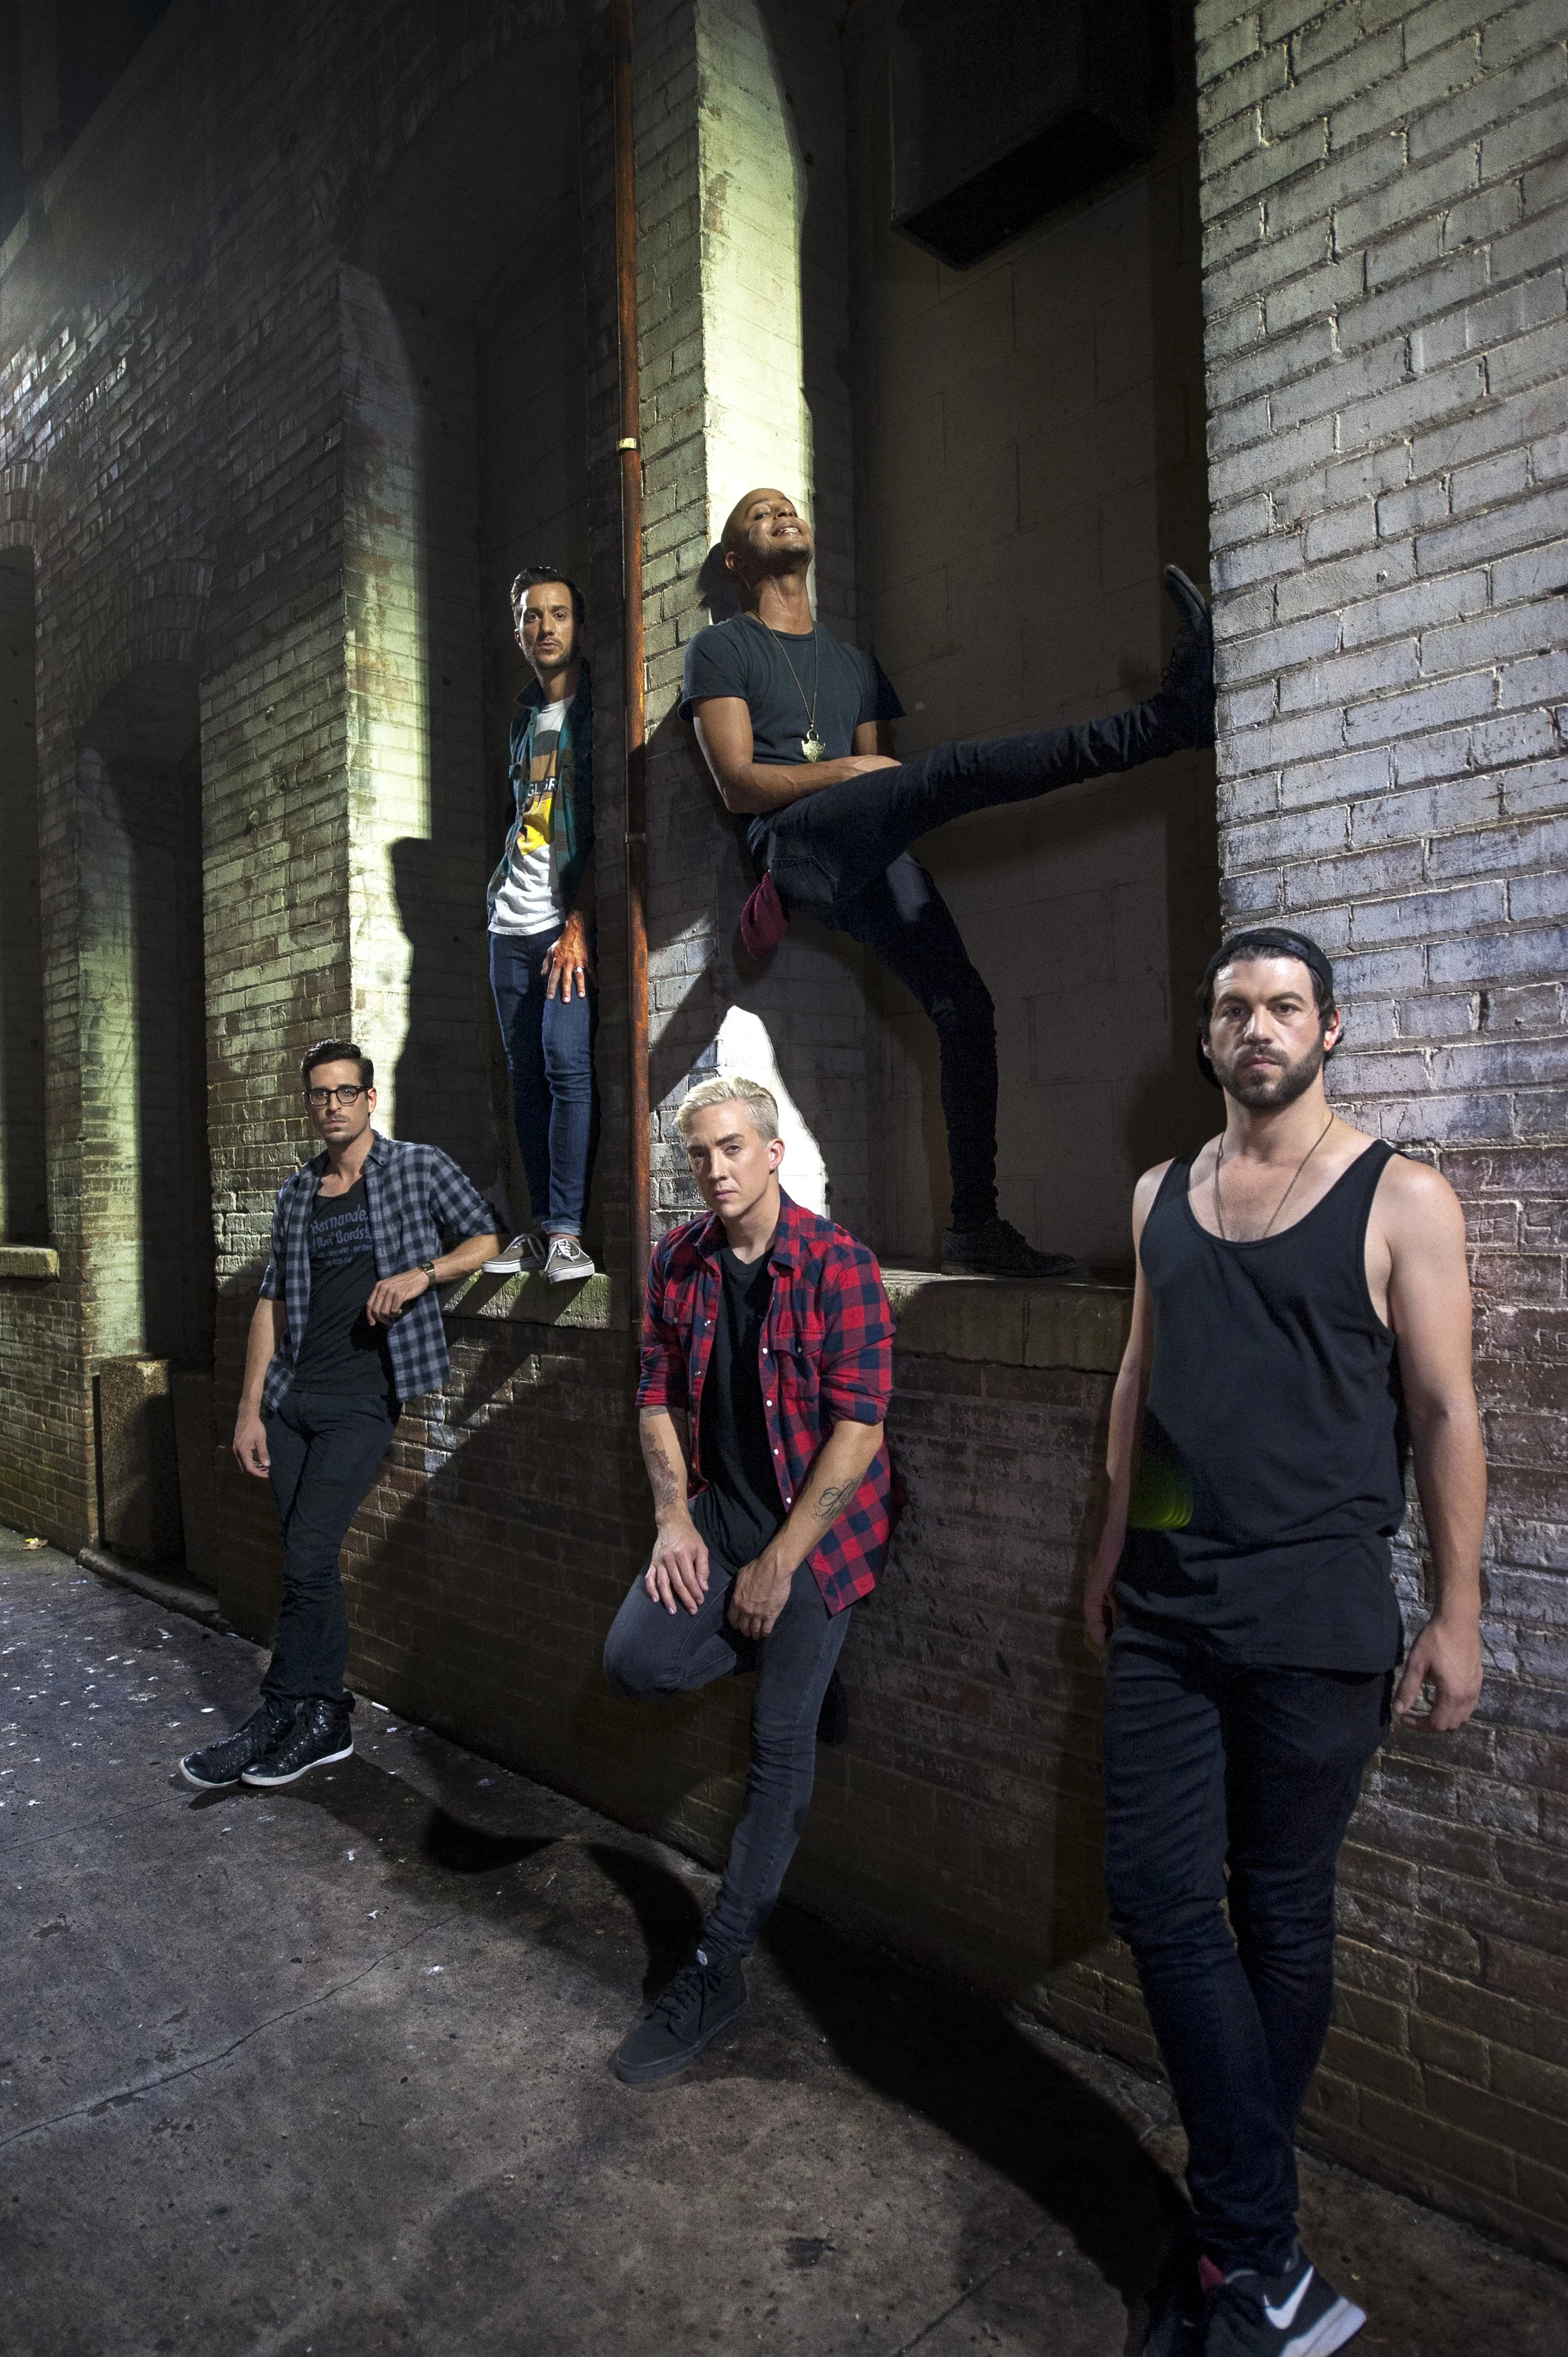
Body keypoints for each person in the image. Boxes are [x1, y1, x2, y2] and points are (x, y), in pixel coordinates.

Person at [1083, 927, 1486, 2357]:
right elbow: (1150, 1382)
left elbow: (1442, 1412)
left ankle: (1235, 2255)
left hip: (1315, 1625)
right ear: (1206, 1035)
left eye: (1283, 1006)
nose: (1257, 1025)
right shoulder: (1160, 1195)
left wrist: (1455, 1608)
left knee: (1280, 1909)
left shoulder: (1400, 1197)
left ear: (1327, 1029)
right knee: (1156, 1893)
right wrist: (1117, 1544)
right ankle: (1261, 2252)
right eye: (1233, 1006)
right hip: (1168, 1622)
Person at [681, 487, 1216, 1279]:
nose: (781, 515)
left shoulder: (854, 666)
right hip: (794, 845)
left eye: (789, 507)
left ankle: (974, 1224)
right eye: (759, 515)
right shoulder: (722, 647)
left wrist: (876, 781)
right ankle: (1167, 723)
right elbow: (735, 785)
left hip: (860, 849)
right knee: (950, 771)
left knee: (964, 1007)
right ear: (734, 559)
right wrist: (856, 771)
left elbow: (884, 796)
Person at [603, 1074, 895, 2085]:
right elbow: (651, 1392)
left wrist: (778, 1566)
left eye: (732, 1148)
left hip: (821, 1532)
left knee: (778, 1747)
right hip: (721, 1515)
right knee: (634, 1662)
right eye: (699, 1154)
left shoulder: (837, 1265)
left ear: (773, 1152)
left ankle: (717, 1967)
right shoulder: (678, 1261)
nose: (715, 1170)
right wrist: (672, 1518)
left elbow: (860, 1428)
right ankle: (801, 1668)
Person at [180, 1041, 501, 1791]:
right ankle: (323, 1716)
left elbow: (489, 1238)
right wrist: (249, 1408)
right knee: (306, 1564)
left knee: (308, 1556)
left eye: (344, 1092)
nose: (332, 1105)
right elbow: (272, 1301)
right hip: (292, 1400)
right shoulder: (297, 1193)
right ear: (310, 1104)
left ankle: (277, 1710)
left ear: (368, 1099)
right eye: (319, 1094)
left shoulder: (416, 1168)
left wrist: (424, 1273)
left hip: (364, 1401)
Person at [483, 566, 600, 1283]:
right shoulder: (523, 720)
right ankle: (535, 1230)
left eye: (558, 613)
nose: (545, 627)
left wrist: (580, 919)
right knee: (525, 1078)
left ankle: (565, 1231)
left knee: (567, 1066)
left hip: (563, 926)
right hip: (507, 924)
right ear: (518, 629)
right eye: (532, 616)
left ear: (577, 627)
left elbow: (597, 824)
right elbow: (522, 822)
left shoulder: (596, 710)